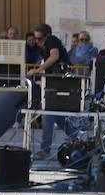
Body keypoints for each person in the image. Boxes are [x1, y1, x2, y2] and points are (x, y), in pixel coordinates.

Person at [28, 24, 72, 160]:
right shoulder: (45, 44)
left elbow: (54, 56)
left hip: (57, 82)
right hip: (55, 81)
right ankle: (79, 137)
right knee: (56, 116)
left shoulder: (51, 40)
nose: (37, 41)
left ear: (46, 35)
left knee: (48, 113)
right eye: (35, 39)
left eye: (39, 38)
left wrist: (38, 70)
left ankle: (45, 150)